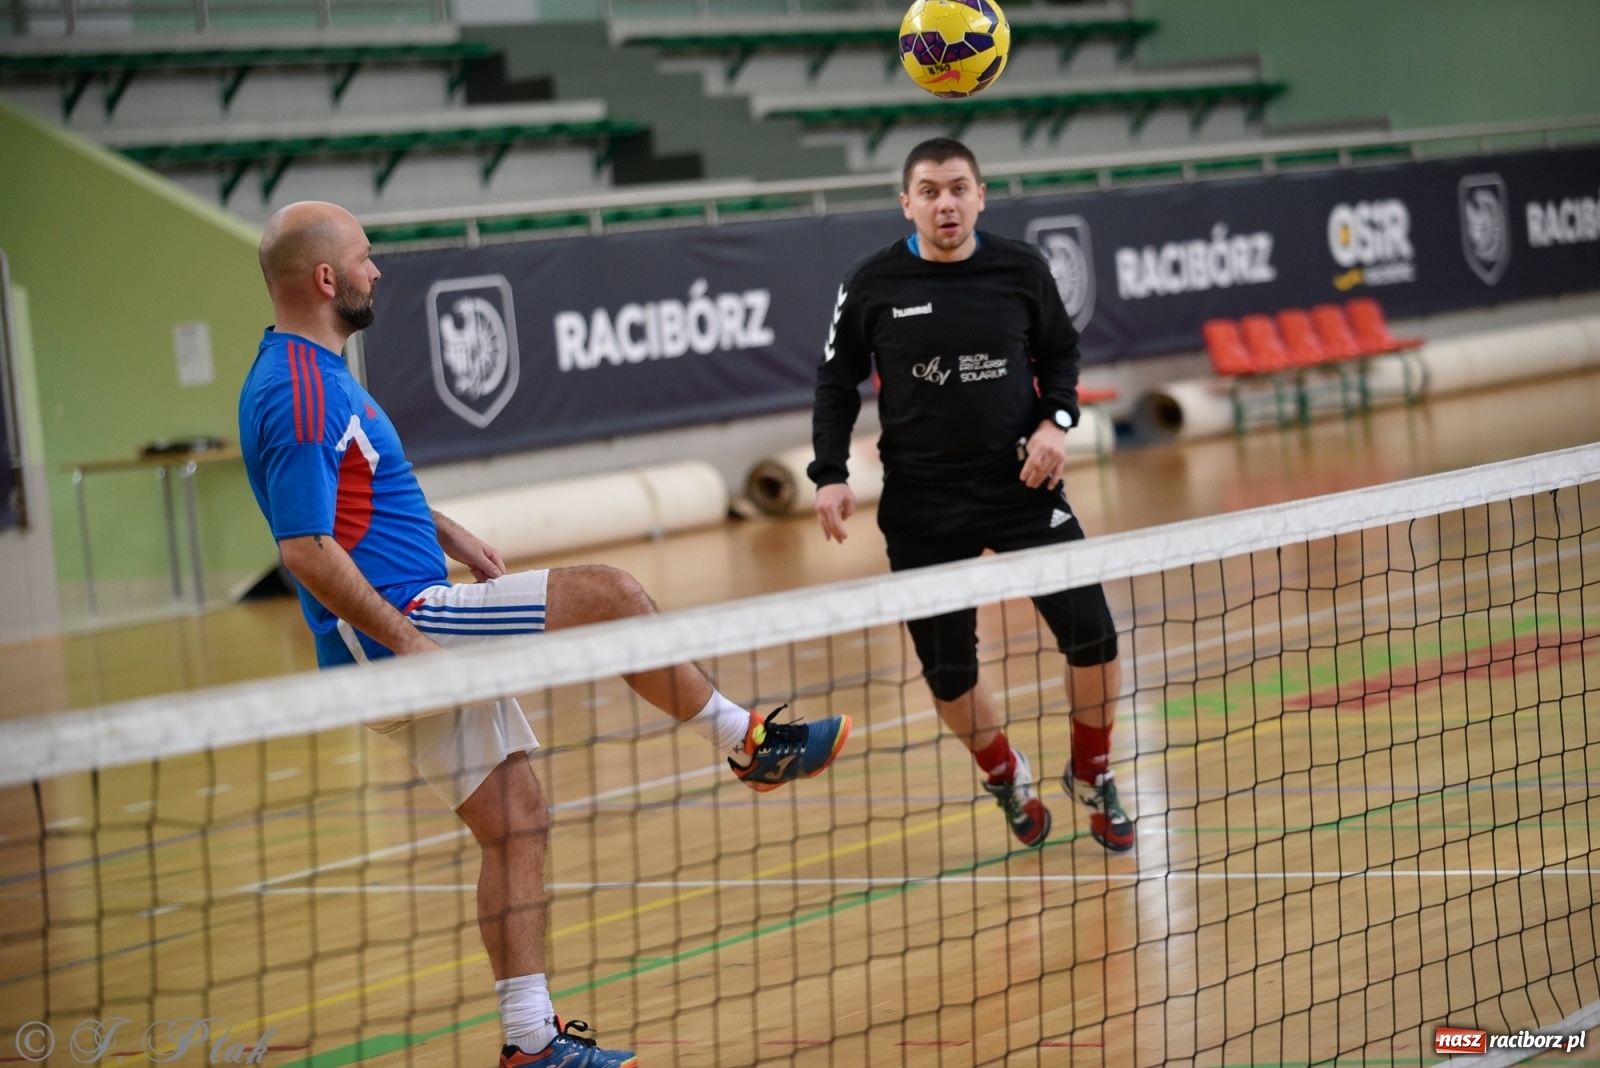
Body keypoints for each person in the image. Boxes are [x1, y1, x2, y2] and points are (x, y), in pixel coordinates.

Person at [239, 201, 851, 1068]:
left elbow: (347, 497)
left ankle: (531, 1043)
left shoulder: (309, 370)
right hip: (403, 623)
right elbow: (302, 545)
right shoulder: (299, 387)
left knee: (517, 822)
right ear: (327, 279)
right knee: (611, 593)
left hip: (403, 610)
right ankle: (746, 741)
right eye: (367, 259)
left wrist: (439, 525)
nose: (379, 272)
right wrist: (409, 644)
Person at [808, 138, 1131, 854]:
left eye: (958, 188)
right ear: (906, 204)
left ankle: (1094, 769)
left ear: (981, 196)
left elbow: (1062, 354)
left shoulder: (1021, 268)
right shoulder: (872, 284)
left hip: (1024, 485)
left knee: (1095, 635)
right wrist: (829, 471)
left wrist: (1058, 419)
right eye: (929, 191)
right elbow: (836, 384)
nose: (945, 203)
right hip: (923, 507)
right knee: (949, 670)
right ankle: (1004, 776)